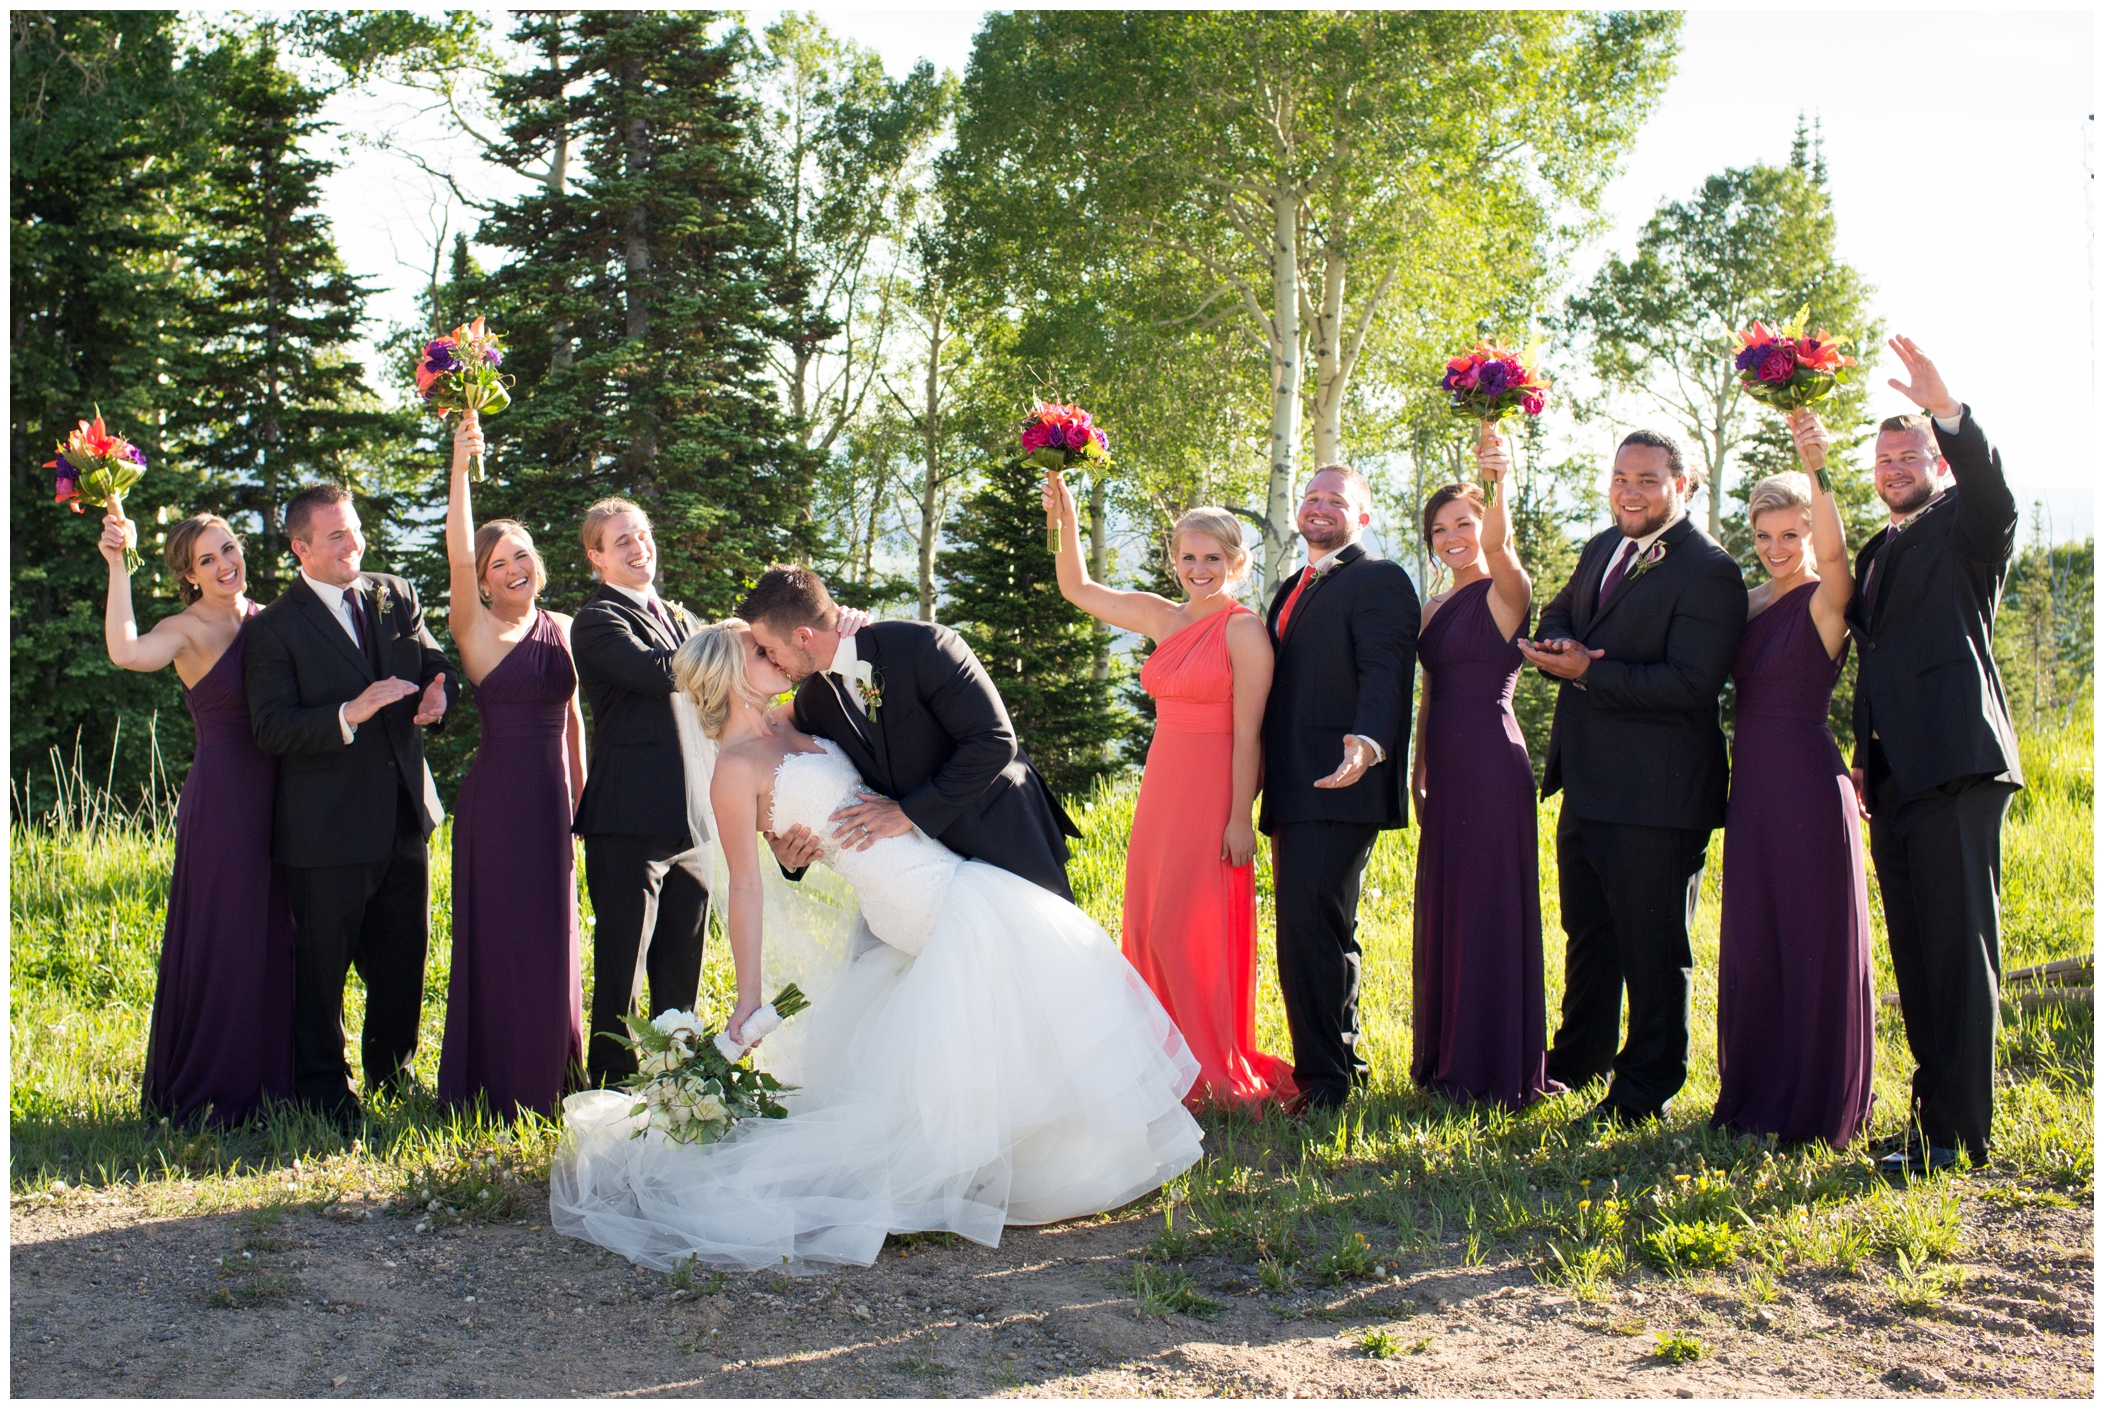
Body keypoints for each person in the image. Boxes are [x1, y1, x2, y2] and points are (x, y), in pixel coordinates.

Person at [549, 619, 1203, 1272]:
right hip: (915, 898)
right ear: (730, 673)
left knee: (1022, 990)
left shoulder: (796, 715)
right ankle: (983, 1161)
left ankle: (1028, 1153)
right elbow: (746, 887)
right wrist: (748, 995)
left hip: (937, 867)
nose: (777, 652)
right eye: (760, 649)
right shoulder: (734, 769)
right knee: (1027, 969)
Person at [1040, 477, 1294, 1109]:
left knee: (1192, 927)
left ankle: (1207, 1063)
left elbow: (1250, 734)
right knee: (1151, 924)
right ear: (1173, 560)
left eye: (1213, 559)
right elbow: (1077, 588)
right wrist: (1065, 517)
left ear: (1236, 563)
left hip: (1214, 793)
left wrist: (1241, 817)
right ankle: (1158, 1057)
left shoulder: (1244, 631)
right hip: (1163, 787)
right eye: (1188, 557)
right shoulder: (1161, 616)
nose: (1199, 569)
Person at [1519, 431, 1746, 1129]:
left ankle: (1645, 1085)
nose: (1629, 491)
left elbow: (1690, 683)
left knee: (1653, 946)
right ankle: (1578, 1058)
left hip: (1659, 792)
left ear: (1684, 483)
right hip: (1588, 780)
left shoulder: (1709, 571)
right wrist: (1557, 639)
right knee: (1587, 932)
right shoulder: (1601, 547)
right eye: (1620, 477)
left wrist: (1588, 671)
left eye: (1646, 479)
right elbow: (1561, 609)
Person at [1846, 337, 2020, 1178]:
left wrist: (1949, 414)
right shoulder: (1877, 554)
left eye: (1909, 454)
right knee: (1918, 957)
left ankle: (1961, 1136)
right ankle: (1929, 1124)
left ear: (1938, 465)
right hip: (1894, 780)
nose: (1893, 468)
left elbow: (1995, 491)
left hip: (1957, 766)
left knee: (1960, 955)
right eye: (1882, 459)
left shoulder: (1964, 526)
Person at [245, 483, 456, 1127]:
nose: (353, 544)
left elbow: (429, 657)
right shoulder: (274, 628)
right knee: (322, 967)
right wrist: (350, 712)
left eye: (355, 529)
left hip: (402, 813)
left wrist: (439, 687)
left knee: (404, 957)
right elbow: (271, 727)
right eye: (336, 536)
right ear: (300, 548)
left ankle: (394, 1077)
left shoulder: (395, 592)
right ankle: (322, 1093)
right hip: (324, 826)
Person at [99, 509, 294, 1127]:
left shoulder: (271, 619)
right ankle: (217, 1085)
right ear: (189, 575)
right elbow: (126, 653)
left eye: (228, 549)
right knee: (227, 935)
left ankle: (279, 1083)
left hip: (288, 795)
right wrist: (117, 564)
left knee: (284, 934)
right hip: (227, 801)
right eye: (206, 560)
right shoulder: (184, 629)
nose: (223, 565)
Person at [1711, 423, 1875, 1150]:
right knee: (1758, 940)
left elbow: (1838, 556)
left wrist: (1820, 470)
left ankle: (1816, 1099)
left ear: (1809, 531)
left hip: (1810, 786)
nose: (1777, 548)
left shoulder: (1824, 599)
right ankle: (1758, 1091)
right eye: (1765, 535)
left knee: (1812, 939)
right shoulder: (1746, 604)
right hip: (1752, 795)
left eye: (1790, 534)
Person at [740, 565, 1081, 903]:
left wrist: (908, 812)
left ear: (803, 636)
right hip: (924, 878)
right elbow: (816, 780)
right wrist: (790, 857)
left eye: (771, 649)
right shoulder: (813, 702)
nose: (772, 660)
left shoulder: (923, 645)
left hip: (1004, 836)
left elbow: (994, 740)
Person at [434, 413, 588, 1117]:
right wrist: (462, 464)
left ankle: (554, 1073)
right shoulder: (477, 628)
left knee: (555, 932)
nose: (514, 567)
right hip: (497, 806)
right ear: (485, 580)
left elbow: (576, 719)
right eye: (499, 563)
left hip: (553, 802)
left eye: (521, 554)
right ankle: (495, 1081)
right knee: (501, 939)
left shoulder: (562, 627)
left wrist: (584, 800)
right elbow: (457, 554)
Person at [1259, 464, 1420, 1114]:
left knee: (1312, 926)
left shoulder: (1378, 578)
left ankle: (1326, 1082)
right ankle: (1336, 1063)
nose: (1320, 507)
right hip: (1295, 783)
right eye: (1312, 497)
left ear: (1364, 516)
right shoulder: (1292, 585)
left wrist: (1370, 740)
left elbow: (1387, 667)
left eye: (1336, 500)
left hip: (1339, 776)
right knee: (1314, 927)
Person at [1409, 429, 1554, 1110]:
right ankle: (1447, 1053)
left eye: (1462, 522)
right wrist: (1417, 769)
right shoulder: (1433, 606)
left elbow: (1499, 547)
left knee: (1492, 903)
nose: (1452, 537)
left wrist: (1497, 478)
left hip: (1495, 764)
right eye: (1440, 528)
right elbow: (1428, 693)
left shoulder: (1506, 588)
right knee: (1449, 905)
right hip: (1447, 768)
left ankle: (1494, 1060)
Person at [569, 498, 712, 1087]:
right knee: (623, 964)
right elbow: (661, 672)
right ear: (596, 556)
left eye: (643, 535)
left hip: (692, 818)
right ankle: (611, 1088)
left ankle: (680, 1083)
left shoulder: (676, 617)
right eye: (622, 540)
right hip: (628, 820)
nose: (638, 547)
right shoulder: (599, 619)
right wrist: (723, 641)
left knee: (683, 963)